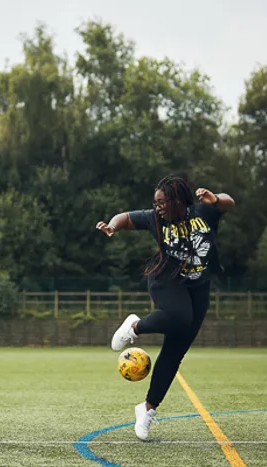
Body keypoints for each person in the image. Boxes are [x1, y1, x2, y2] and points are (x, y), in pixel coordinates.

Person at [95, 175, 235, 441]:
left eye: (162, 202)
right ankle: (135, 326)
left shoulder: (202, 211)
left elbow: (229, 203)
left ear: (177, 200)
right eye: (155, 203)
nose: (157, 207)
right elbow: (125, 217)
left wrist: (216, 199)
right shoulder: (155, 219)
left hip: (198, 285)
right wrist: (112, 226)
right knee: (179, 317)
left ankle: (147, 409)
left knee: (176, 350)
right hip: (166, 278)